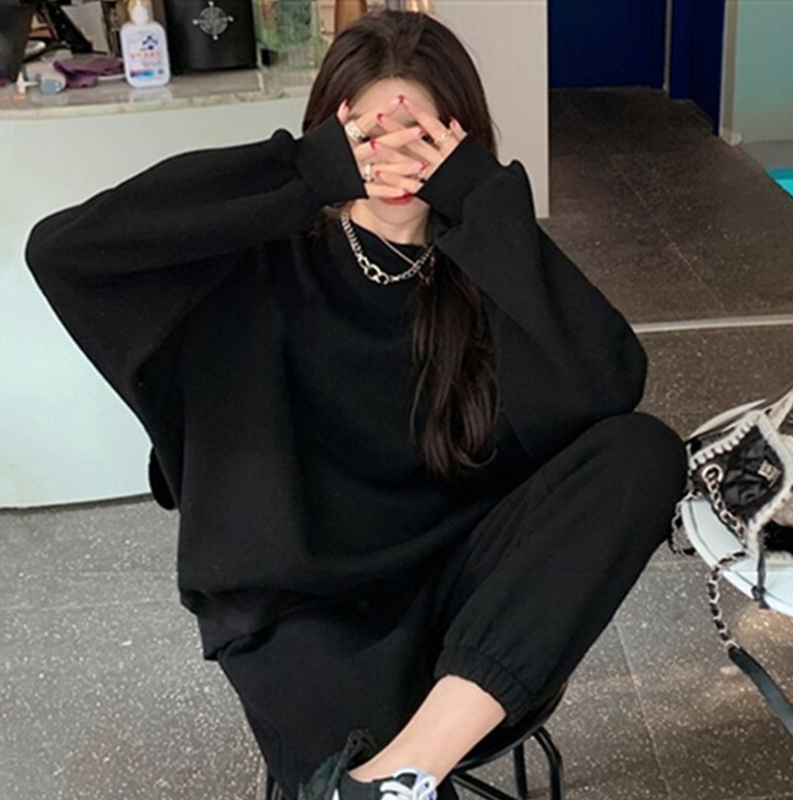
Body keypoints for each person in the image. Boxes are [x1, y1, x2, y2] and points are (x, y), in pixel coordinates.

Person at [24, 9, 688, 800]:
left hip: (462, 600)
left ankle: (401, 774)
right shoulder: (255, 262)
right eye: (371, 138)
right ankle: (399, 776)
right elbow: (62, 253)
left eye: (424, 138)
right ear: (331, 141)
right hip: (302, 611)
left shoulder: (485, 266)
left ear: (462, 144)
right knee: (346, 741)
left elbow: (611, 386)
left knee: (643, 451)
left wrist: (485, 201)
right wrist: (301, 176)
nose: (397, 161)